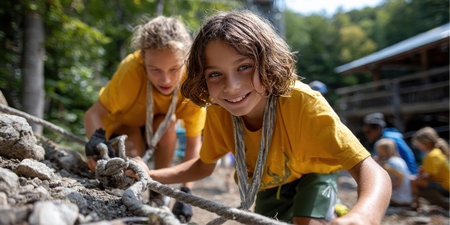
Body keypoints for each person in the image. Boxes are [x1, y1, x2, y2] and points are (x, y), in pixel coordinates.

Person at [132, 11, 391, 224]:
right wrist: (149, 173)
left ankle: (336, 213)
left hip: (314, 173)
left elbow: (370, 170)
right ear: (201, 77)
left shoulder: (303, 103)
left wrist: (364, 217)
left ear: (267, 62)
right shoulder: (218, 111)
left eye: (244, 67)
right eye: (215, 74)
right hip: (270, 183)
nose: (231, 86)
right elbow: (203, 165)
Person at [83, 16, 206, 222]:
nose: (165, 80)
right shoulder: (131, 71)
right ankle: (126, 185)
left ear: (186, 60)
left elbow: (194, 142)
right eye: (155, 70)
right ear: (143, 59)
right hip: (121, 131)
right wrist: (97, 143)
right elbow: (93, 114)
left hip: (157, 131)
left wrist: (186, 193)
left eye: (174, 69)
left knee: (168, 125)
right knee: (131, 142)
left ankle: (159, 194)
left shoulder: (191, 83)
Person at [411, 127, 449, 210]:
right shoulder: (438, 152)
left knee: (413, 181)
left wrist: (420, 177)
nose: (418, 148)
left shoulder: (431, 155)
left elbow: (429, 176)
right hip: (446, 184)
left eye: (419, 145)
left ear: (426, 143)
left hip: (446, 186)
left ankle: (416, 204)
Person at [375, 138, 413, 206]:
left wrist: (386, 190)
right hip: (407, 196)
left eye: (379, 149)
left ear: (384, 151)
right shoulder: (399, 160)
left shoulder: (391, 163)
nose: (377, 152)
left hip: (398, 197)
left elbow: (399, 178)